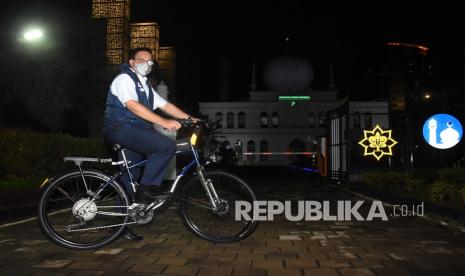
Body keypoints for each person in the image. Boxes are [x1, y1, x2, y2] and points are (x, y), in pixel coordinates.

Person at [102, 47, 193, 241]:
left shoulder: (146, 87)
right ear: (132, 62)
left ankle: (119, 227)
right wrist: (163, 122)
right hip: (121, 127)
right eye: (141, 60)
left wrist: (191, 119)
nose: (146, 64)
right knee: (165, 146)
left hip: (133, 131)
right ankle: (147, 191)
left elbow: (165, 105)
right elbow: (133, 106)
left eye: (150, 61)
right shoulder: (124, 79)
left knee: (129, 178)